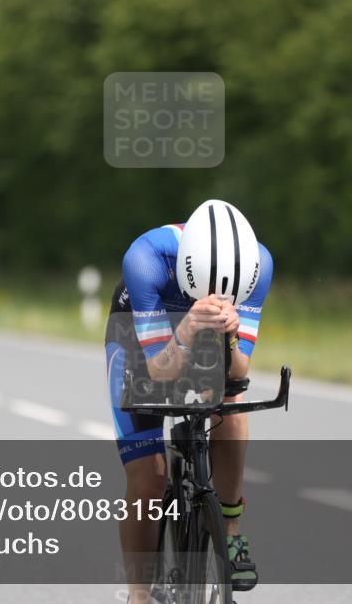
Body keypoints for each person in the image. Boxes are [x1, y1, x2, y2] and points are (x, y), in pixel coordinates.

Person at [106, 199, 272, 601]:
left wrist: (230, 337)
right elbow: (160, 370)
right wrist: (186, 330)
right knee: (149, 477)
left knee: (232, 404)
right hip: (142, 338)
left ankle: (230, 533)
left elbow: (238, 370)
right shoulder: (146, 259)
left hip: (206, 335)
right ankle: (139, 594)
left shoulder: (258, 264)